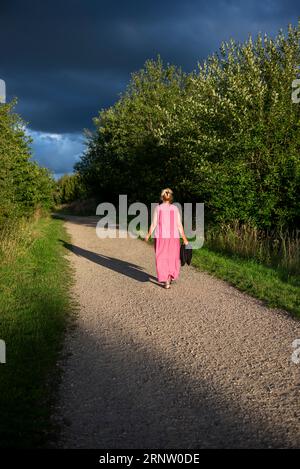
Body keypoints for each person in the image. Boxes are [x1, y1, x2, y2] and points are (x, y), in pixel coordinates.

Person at [145, 188, 189, 289]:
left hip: (161, 237)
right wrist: (184, 238)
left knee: (161, 258)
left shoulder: (158, 208)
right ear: (171, 197)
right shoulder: (175, 208)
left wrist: (148, 234)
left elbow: (154, 223)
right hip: (174, 237)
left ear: (162, 197)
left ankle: (166, 280)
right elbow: (179, 225)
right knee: (172, 258)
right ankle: (170, 276)